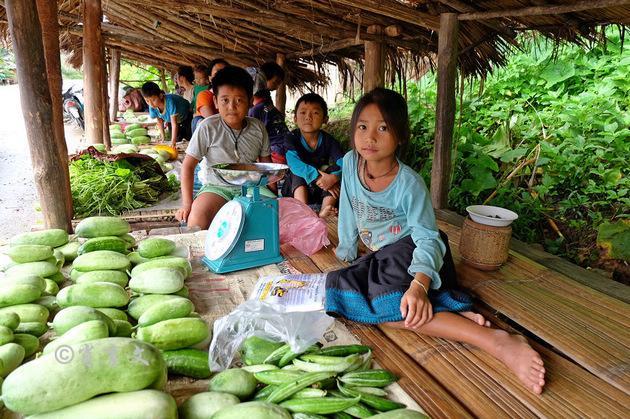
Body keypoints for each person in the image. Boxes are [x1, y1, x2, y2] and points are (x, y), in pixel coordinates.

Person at [326, 88, 546, 395]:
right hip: (384, 259)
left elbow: (428, 238)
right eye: (362, 126)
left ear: (400, 136)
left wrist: (419, 286)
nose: (370, 137)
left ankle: (496, 341)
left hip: (418, 254)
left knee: (388, 306)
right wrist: (348, 251)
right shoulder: (351, 163)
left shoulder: (408, 184)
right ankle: (449, 314)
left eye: (383, 128)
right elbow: (349, 208)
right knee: (352, 295)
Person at [175, 66, 274, 229]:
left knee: (275, 215)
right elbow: (188, 166)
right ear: (215, 101)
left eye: (239, 100)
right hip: (217, 187)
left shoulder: (258, 128)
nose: (231, 107)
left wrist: (273, 193)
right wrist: (187, 204)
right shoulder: (207, 127)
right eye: (225, 100)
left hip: (251, 187)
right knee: (197, 220)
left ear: (250, 101)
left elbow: (267, 166)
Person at [282, 93, 344, 217]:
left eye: (315, 113)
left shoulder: (329, 140)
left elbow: (344, 161)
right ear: (295, 118)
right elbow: (294, 163)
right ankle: (303, 211)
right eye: (303, 112)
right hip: (296, 189)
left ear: (325, 119)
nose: (308, 117)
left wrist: (333, 178)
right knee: (297, 170)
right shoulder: (291, 138)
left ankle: (326, 209)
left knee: (334, 170)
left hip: (321, 189)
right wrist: (318, 177)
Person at [141, 82, 192, 148]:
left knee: (189, 137)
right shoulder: (152, 106)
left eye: (153, 100)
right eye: (147, 101)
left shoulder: (170, 102)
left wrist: (173, 141)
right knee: (176, 139)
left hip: (186, 115)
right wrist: (163, 136)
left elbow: (174, 124)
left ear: (160, 96)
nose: (151, 104)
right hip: (171, 120)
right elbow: (160, 121)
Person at [248, 89, 289, 163]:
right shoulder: (270, 107)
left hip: (276, 150)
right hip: (288, 146)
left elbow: (253, 137)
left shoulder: (255, 110)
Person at [192, 58, 229, 133]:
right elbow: (213, 121)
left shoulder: (236, 95)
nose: (222, 76)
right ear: (210, 78)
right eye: (217, 73)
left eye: (226, 73)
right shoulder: (204, 95)